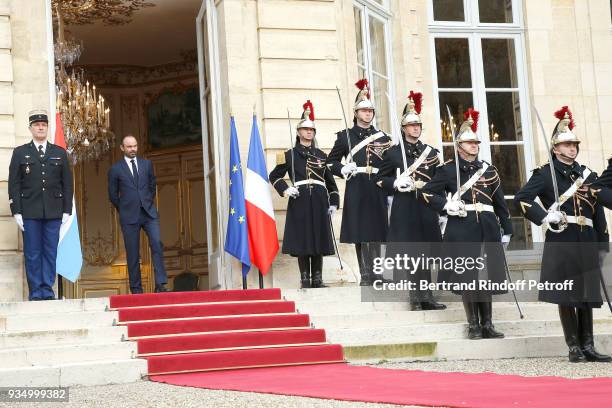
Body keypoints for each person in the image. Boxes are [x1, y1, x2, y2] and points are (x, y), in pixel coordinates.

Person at [515, 106, 611, 362]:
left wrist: (603, 243)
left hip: (587, 238)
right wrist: (545, 216)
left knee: (587, 292)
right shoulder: (545, 174)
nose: (572, 148)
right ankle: (573, 347)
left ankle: (588, 345)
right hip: (563, 236)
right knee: (568, 293)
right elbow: (523, 199)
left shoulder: (588, 174)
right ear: (556, 148)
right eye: (567, 145)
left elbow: (598, 210)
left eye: (574, 144)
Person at [422, 108, 512, 339]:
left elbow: (500, 202)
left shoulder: (489, 170)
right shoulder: (447, 170)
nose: (474, 145)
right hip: (462, 228)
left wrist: (507, 229)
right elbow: (428, 193)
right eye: (469, 143)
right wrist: (446, 206)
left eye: (476, 142)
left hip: (488, 227)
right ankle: (473, 325)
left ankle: (488, 325)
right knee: (468, 278)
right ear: (459, 146)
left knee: (486, 277)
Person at [375, 91, 445, 310]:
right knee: (411, 253)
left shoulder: (431, 153)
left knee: (426, 252)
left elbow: (440, 181)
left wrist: (442, 207)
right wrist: (395, 183)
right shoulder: (394, 153)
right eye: (411, 125)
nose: (416, 128)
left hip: (425, 205)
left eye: (418, 125)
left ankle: (428, 297)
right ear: (404, 128)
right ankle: (416, 298)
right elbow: (379, 179)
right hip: (405, 205)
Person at [326, 79, 392, 286]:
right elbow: (330, 162)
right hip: (358, 185)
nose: (368, 114)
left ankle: (380, 274)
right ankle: (366, 275)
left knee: (380, 231)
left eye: (370, 111)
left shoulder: (383, 137)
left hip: (379, 185)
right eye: (364, 111)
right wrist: (343, 168)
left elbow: (392, 162)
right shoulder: (346, 136)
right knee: (361, 230)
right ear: (356, 113)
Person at [269, 101, 340, 288]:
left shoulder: (322, 156)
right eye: (306, 129)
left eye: (312, 130)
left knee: (318, 237)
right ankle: (305, 279)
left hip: (318, 199)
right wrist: (285, 188)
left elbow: (331, 184)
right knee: (303, 238)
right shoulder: (289, 155)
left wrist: (333, 202)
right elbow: (274, 176)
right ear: (299, 132)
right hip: (299, 199)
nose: (309, 132)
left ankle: (318, 278)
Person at [8, 109, 73, 301]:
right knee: (33, 253)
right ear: (30, 128)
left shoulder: (59, 153)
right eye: (37, 125)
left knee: (50, 252)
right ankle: (36, 292)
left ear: (47, 127)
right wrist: (16, 211)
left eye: (43, 125)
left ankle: (47, 290)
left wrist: (67, 210)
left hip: (53, 211)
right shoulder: (20, 153)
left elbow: (67, 184)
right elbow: (14, 184)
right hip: (29, 211)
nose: (40, 128)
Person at [108, 135, 168, 294]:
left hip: (149, 213)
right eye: (129, 147)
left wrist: (146, 200)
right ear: (122, 148)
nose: (133, 149)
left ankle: (161, 284)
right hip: (129, 216)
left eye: (134, 146)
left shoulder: (147, 164)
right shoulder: (115, 169)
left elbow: (152, 184)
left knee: (156, 244)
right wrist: (125, 208)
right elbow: (113, 195)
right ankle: (136, 289)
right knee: (133, 252)